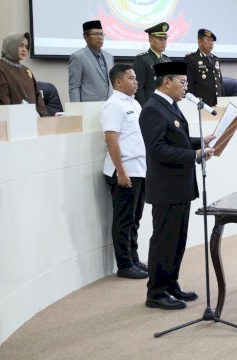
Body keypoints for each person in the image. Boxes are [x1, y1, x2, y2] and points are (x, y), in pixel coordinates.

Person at [139, 61, 214, 310]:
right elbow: (158, 148)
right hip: (166, 187)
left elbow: (176, 138)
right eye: (182, 82)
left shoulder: (168, 106)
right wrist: (194, 155)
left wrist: (199, 141)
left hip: (179, 185)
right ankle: (156, 292)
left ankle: (171, 283)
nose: (186, 87)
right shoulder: (152, 109)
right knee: (164, 239)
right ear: (166, 81)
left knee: (178, 238)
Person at [100, 64, 147, 280]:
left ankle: (134, 258)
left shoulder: (135, 103)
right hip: (124, 171)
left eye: (136, 78)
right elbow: (111, 139)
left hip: (139, 169)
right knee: (124, 220)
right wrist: (121, 172)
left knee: (135, 218)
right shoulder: (113, 105)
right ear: (118, 82)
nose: (136, 81)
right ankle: (124, 264)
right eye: (131, 78)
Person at [0, 32, 47, 116]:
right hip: (12, 123)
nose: (24, 50)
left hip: (34, 121)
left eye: (26, 47)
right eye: (21, 45)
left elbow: (38, 98)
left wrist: (43, 118)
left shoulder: (26, 70)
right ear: (10, 45)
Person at [68, 20, 114, 102]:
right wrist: (77, 110)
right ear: (86, 37)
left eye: (101, 34)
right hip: (89, 106)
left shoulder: (109, 57)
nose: (99, 37)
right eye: (95, 34)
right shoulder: (78, 57)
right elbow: (74, 87)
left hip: (109, 104)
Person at [132, 22, 171, 106]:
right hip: (150, 105)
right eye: (160, 39)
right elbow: (138, 88)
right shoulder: (142, 59)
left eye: (165, 39)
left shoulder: (167, 60)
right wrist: (143, 108)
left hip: (166, 105)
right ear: (151, 40)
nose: (164, 42)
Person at [185, 28, 224, 106]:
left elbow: (220, 81)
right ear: (199, 41)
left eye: (212, 41)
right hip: (202, 103)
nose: (211, 43)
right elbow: (189, 84)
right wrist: (191, 103)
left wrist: (222, 99)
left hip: (218, 102)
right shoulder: (191, 59)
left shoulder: (215, 59)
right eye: (208, 40)